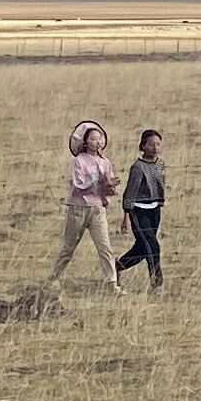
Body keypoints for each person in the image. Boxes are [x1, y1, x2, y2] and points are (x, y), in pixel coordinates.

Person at [47, 118, 126, 291]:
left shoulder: (106, 162)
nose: (97, 142)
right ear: (84, 143)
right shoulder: (80, 161)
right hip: (78, 209)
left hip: (97, 210)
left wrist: (110, 186)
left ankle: (111, 283)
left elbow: (108, 190)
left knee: (105, 247)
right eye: (92, 139)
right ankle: (54, 278)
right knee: (69, 247)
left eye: (99, 138)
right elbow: (79, 184)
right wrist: (100, 180)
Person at [113, 126, 167, 290]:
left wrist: (159, 203)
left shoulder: (160, 164)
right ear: (142, 146)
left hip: (154, 209)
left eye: (158, 144)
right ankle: (157, 284)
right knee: (153, 246)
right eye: (151, 144)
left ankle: (118, 266)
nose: (155, 148)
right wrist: (126, 216)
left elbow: (160, 185)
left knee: (144, 246)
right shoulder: (137, 167)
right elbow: (130, 192)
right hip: (139, 210)